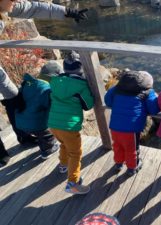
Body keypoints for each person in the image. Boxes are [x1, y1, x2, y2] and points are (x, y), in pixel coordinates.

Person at [0, 0, 88, 166]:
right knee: (11, 95)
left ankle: (23, 135)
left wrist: (66, 11)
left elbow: (32, 7)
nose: (17, 1)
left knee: (13, 95)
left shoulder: (5, 5)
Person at [48, 51, 94, 195]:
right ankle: (72, 183)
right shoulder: (81, 85)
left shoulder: (54, 82)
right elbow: (88, 105)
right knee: (75, 153)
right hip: (69, 126)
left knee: (63, 144)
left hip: (53, 123)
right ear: (81, 70)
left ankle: (63, 165)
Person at [104, 70, 160, 176]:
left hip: (115, 125)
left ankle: (118, 164)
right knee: (132, 149)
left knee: (117, 145)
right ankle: (132, 168)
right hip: (131, 129)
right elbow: (153, 110)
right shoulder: (148, 92)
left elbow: (108, 101)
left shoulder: (117, 88)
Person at [14, 61, 64, 159]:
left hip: (20, 123)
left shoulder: (29, 83)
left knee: (37, 121)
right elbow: (52, 107)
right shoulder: (46, 89)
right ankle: (47, 150)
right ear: (54, 76)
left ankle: (37, 137)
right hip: (36, 125)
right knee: (49, 130)